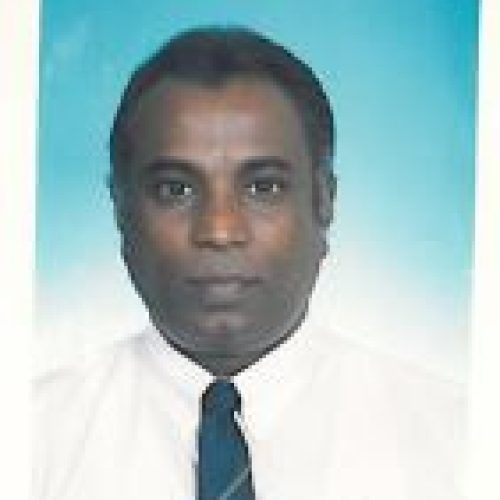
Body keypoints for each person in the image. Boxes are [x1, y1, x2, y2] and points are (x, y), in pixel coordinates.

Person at [34, 27, 465, 499]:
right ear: (122, 208)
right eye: (175, 189)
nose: (220, 230)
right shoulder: (32, 435)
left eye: (264, 187)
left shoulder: (458, 439)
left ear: (324, 201)